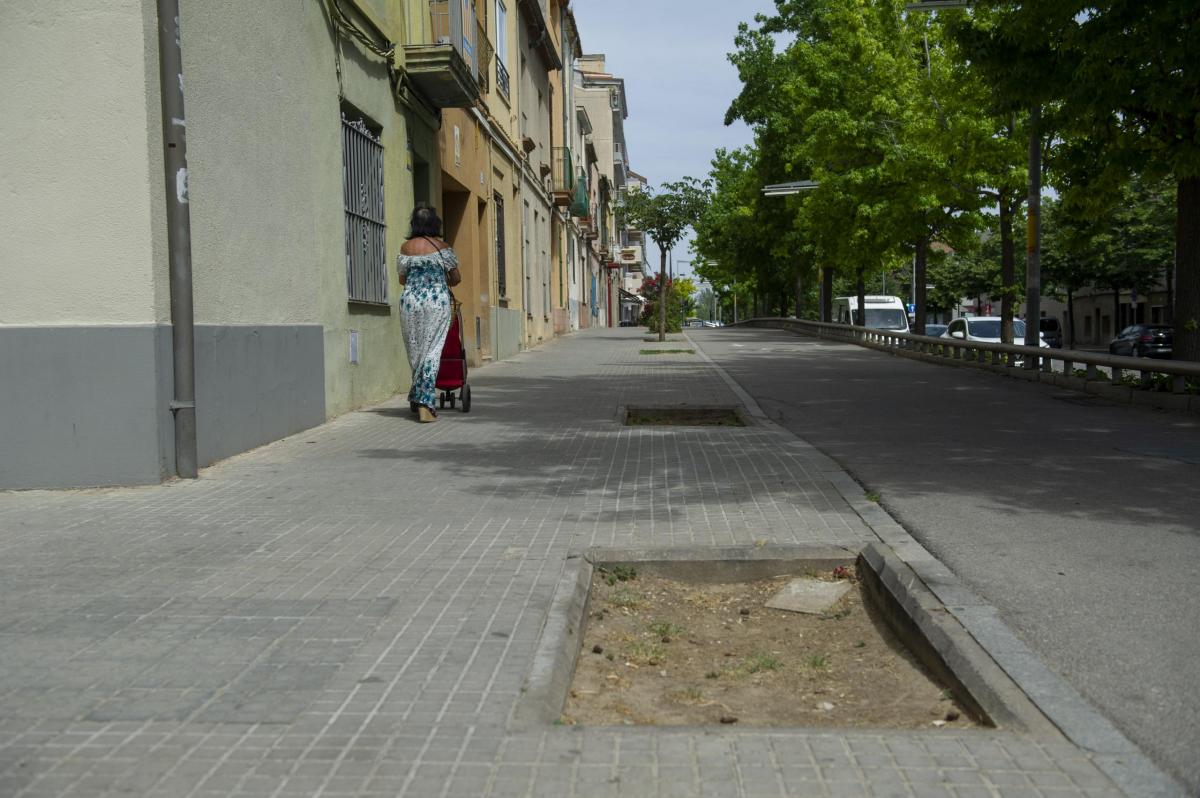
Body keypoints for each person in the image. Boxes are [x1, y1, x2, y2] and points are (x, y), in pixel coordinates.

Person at [397, 206, 461, 423]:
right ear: (436, 224)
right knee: (432, 351)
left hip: (410, 303)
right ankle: (425, 402)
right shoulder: (443, 247)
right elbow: (456, 278)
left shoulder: (405, 248)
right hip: (435, 303)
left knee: (415, 350)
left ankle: (416, 396)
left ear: (414, 224)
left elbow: (402, 280)